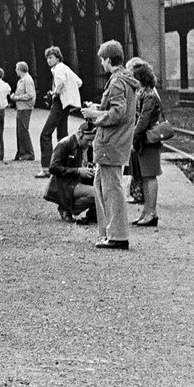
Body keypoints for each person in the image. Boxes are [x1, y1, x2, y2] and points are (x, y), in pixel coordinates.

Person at [79, 40, 138, 251]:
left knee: (111, 188)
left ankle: (118, 236)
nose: (102, 64)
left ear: (108, 59)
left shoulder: (116, 82)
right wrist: (99, 107)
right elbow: (116, 109)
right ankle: (108, 233)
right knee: (102, 185)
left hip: (111, 143)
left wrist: (96, 114)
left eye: (102, 60)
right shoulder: (125, 80)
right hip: (113, 142)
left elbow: (118, 113)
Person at [126, 57, 162, 227]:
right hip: (145, 141)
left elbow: (143, 120)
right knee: (146, 177)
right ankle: (146, 212)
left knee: (150, 176)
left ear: (142, 79)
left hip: (149, 140)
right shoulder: (145, 93)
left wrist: (132, 138)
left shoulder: (149, 96)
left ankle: (152, 213)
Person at [36, 46, 82, 179]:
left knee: (45, 134)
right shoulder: (65, 67)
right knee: (62, 135)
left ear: (57, 57)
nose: (48, 60)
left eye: (51, 57)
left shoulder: (59, 69)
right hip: (66, 104)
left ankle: (46, 168)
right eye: (47, 58)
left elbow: (61, 83)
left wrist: (54, 92)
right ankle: (66, 164)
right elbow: (79, 82)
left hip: (59, 102)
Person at [44, 121, 97, 223]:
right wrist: (77, 171)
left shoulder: (88, 147)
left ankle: (92, 215)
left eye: (92, 140)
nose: (90, 143)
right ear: (80, 134)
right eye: (88, 140)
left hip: (79, 182)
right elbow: (53, 167)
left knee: (103, 189)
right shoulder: (64, 144)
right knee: (97, 193)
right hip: (66, 183)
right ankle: (66, 208)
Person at [9, 61, 36, 162]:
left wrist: (16, 98)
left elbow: (30, 95)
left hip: (25, 108)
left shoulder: (27, 80)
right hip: (21, 107)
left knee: (23, 131)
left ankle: (29, 154)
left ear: (20, 70)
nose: (15, 70)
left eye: (16, 68)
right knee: (20, 131)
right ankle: (22, 153)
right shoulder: (23, 80)